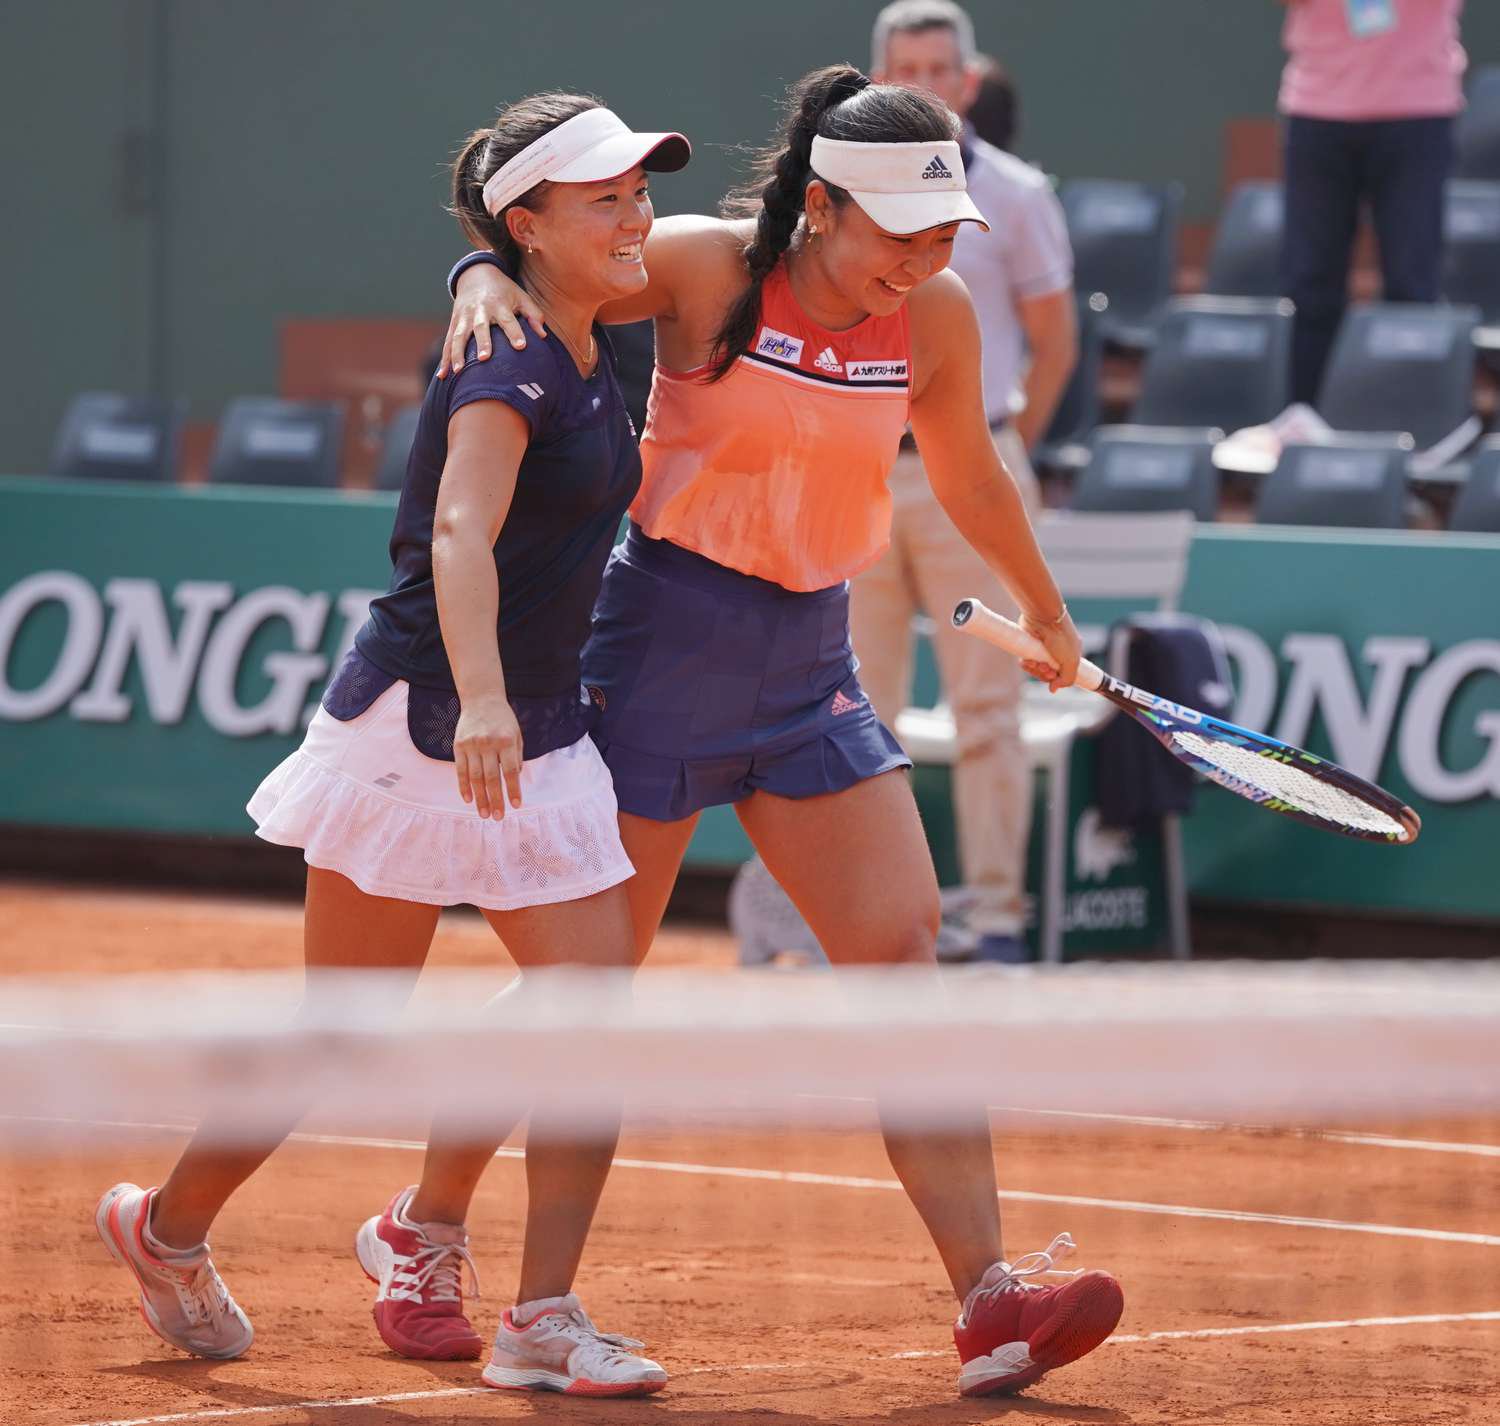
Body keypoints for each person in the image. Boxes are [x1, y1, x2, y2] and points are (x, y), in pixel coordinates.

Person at [441, 64, 1121, 1399]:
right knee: (591, 987)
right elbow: (550, 282)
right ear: (821, 207)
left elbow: (970, 468)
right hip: (659, 648)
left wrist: (1048, 612)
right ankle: (475, 1254)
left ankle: (987, 1296)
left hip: (811, 661)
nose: (925, 262)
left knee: (902, 953)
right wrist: (476, 274)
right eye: (903, 235)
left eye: (944, 239)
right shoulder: (703, 268)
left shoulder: (931, 317)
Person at [96, 93, 689, 1398]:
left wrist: (478, 259)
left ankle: (539, 1313)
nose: (638, 213)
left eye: (641, 189)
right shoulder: (506, 359)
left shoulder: (606, 321)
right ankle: (167, 1226)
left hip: (546, 729)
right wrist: (479, 697)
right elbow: (460, 534)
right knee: (342, 1031)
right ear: (528, 223)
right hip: (428, 722)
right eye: (607, 197)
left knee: (591, 1011)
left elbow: (751, 243)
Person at [851, 0, 1078, 963]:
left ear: (970, 82)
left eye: (940, 70)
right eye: (905, 70)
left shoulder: (1020, 194)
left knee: (990, 710)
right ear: (878, 82)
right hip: (858, 481)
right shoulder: (843, 199)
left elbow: (1057, 341)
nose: (925, 86)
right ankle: (863, 927)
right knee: (856, 716)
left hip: (971, 479)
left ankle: (995, 922)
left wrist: (991, 452)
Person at [1278, 0, 1467, 403]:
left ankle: (1408, 418)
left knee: (1412, 285)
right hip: (1318, 110)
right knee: (1311, 283)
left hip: (1417, 112)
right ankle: (1306, 415)